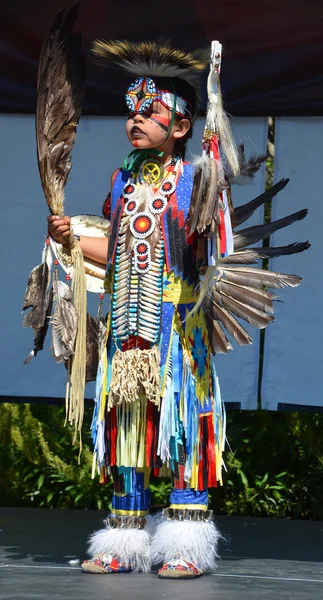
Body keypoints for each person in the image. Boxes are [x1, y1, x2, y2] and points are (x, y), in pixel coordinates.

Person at [47, 40, 308, 579]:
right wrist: (72, 236)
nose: (135, 120)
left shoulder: (193, 179)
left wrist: (213, 168)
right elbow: (117, 245)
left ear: (182, 126)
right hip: (126, 330)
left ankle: (186, 545)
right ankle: (125, 538)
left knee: (184, 427)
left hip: (176, 332)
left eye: (150, 112)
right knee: (127, 429)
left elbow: (211, 243)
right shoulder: (123, 181)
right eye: (131, 111)